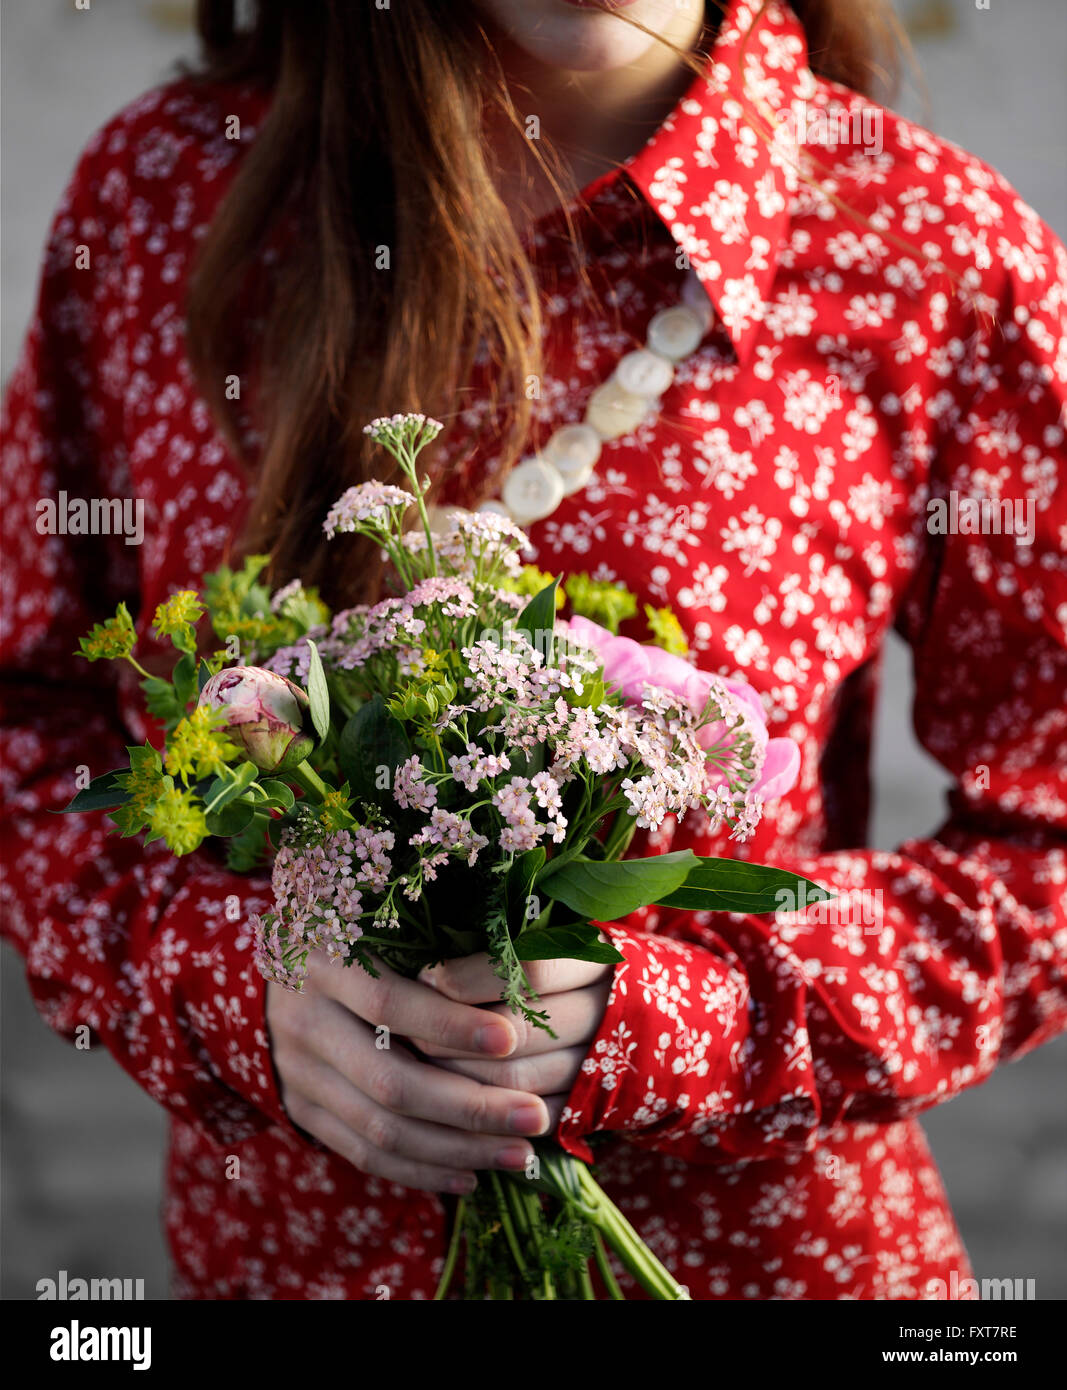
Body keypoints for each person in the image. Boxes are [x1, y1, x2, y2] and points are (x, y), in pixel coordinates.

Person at [2, 0, 1064, 1301]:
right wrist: (238, 989)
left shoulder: (924, 243)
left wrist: (671, 1021)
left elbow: (1049, 843)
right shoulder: (169, 194)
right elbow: (32, 722)